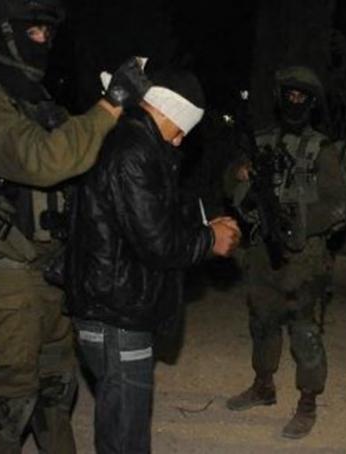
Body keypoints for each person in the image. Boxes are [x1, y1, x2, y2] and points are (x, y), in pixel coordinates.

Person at [0, 0, 147, 451]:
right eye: (34, 31)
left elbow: (82, 159)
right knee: (8, 411)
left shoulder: (37, 105)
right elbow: (46, 161)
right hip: (4, 284)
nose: (44, 41)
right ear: (3, 34)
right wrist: (112, 103)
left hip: (51, 276)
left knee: (57, 398)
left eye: (49, 33)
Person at [63, 69, 241, 453]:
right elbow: (158, 244)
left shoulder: (134, 143)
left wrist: (202, 226)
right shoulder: (133, 152)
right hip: (117, 315)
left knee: (120, 426)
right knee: (126, 437)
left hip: (115, 308)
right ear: (167, 112)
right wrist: (210, 239)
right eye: (181, 129)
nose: (181, 140)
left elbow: (149, 221)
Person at [223, 65, 346, 439]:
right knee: (262, 321)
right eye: (289, 95)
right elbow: (229, 183)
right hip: (263, 249)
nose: (295, 102)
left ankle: (307, 402)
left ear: (312, 104)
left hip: (304, 255)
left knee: (303, 330)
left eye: (301, 97)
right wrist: (240, 175)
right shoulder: (261, 140)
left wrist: (299, 223)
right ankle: (263, 385)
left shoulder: (323, 150)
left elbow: (337, 206)